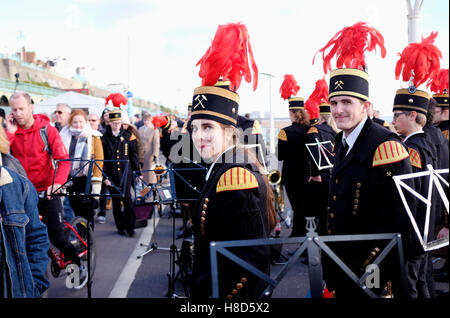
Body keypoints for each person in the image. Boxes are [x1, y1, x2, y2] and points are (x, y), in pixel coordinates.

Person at [315, 22, 414, 297]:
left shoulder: (384, 146)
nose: (338, 110)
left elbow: (394, 225)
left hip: (371, 268)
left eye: (347, 102)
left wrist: (369, 272)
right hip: (341, 262)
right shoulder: (341, 140)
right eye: (334, 103)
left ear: (366, 106)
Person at [190, 22, 276, 299]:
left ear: (229, 132)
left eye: (207, 128)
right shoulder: (223, 166)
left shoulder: (234, 176)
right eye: (194, 128)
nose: (198, 136)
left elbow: (250, 262)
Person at [5, 92, 81, 269]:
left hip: (47, 191)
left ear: (31, 107)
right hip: (22, 195)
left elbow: (64, 160)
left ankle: (78, 265)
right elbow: (3, 155)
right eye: (14, 109)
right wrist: (10, 133)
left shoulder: (47, 130)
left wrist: (57, 183)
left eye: (21, 108)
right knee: (25, 239)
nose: (18, 113)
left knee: (58, 237)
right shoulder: (11, 131)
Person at [392, 88, 438, 298]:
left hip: (413, 230)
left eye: (396, 115)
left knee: (408, 285)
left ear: (412, 115)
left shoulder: (410, 149)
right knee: (420, 282)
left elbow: (410, 196)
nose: (393, 120)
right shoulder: (427, 142)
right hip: (425, 226)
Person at [0, 125, 50, 298]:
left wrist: (35, 284)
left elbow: (36, 237)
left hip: (43, 190)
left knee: (59, 234)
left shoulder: (17, 185)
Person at [277, 74, 311, 237]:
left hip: (291, 174)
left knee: (297, 204)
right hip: (307, 172)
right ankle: (303, 230)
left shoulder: (285, 132)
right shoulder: (311, 129)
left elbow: (280, 155)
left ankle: (298, 232)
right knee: (304, 204)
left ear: (291, 113)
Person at [303, 79, 337, 235]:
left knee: (320, 213)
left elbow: (314, 155)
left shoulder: (314, 130)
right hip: (336, 175)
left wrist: (315, 175)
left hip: (321, 177)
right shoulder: (338, 131)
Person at [60, 109, 104, 227]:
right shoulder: (64, 135)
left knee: (87, 214)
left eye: (81, 122)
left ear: (85, 122)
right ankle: (78, 239)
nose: (78, 125)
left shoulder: (94, 136)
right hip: (69, 180)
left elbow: (99, 162)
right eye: (75, 122)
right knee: (72, 212)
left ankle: (88, 241)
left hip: (86, 180)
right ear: (71, 123)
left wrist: (96, 186)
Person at [101, 108, 140, 237]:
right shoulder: (104, 138)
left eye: (118, 122)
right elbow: (103, 159)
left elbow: (133, 156)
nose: (116, 125)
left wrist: (137, 173)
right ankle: (120, 227)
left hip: (126, 174)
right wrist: (105, 177)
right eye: (113, 122)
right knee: (116, 203)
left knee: (128, 200)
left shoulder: (129, 136)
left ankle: (130, 227)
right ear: (109, 123)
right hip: (111, 175)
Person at [138, 113, 160, 186]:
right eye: (144, 120)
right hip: (141, 154)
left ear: (150, 120)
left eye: (147, 120)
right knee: (142, 173)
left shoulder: (154, 130)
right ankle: (144, 190)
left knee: (150, 174)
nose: (146, 122)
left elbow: (156, 143)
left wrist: (155, 155)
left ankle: (151, 189)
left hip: (150, 154)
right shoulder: (140, 129)